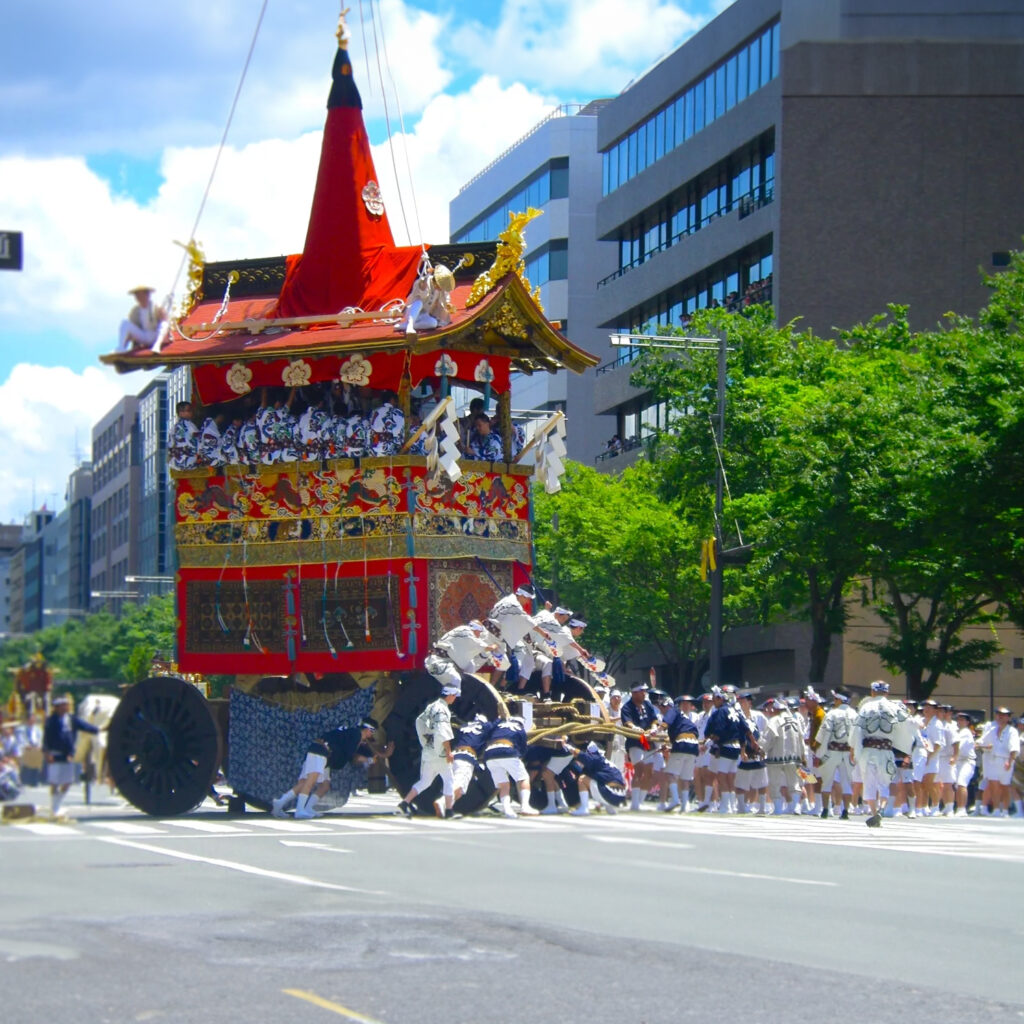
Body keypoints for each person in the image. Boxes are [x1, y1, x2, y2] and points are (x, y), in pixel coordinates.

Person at [271, 718, 379, 819]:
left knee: (324, 785)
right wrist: (368, 760)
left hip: (326, 756)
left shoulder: (352, 734)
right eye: (372, 732)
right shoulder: (355, 734)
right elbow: (352, 756)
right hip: (320, 751)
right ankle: (299, 810)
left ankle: (283, 803)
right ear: (367, 729)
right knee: (310, 781)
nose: (371, 735)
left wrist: (368, 757)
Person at [849, 681, 913, 828]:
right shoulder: (894, 707)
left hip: (868, 749)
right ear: (887, 693)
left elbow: (856, 729)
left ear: (872, 692)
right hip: (886, 749)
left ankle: (873, 812)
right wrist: (904, 748)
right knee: (884, 782)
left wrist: (853, 748)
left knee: (869, 782)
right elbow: (906, 725)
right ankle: (881, 808)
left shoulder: (866, 707)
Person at [398, 685, 460, 818]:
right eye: (454, 696)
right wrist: (448, 751)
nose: (455, 698)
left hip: (428, 751)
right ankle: (449, 810)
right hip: (440, 752)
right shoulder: (443, 710)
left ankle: (405, 802)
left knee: (425, 781)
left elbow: (419, 721)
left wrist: (424, 740)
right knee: (449, 781)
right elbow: (443, 732)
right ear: (449, 695)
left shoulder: (431, 706)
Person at [43, 694, 101, 817]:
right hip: (55, 753)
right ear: (57, 707)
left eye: (66, 705)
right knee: (54, 781)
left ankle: (57, 803)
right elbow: (46, 738)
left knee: (68, 782)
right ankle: (54, 807)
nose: (65, 708)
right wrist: (47, 752)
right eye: (62, 705)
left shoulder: (71, 719)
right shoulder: (51, 720)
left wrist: (99, 729)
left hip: (68, 754)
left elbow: (85, 726)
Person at [482, 715, 537, 818]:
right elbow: (523, 748)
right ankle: (525, 806)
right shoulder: (520, 729)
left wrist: (498, 718)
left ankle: (508, 811)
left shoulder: (498, 726)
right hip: (508, 752)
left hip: (489, 754)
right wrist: (519, 756)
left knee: (503, 784)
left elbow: (487, 734)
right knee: (523, 778)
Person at [813, 691, 857, 819]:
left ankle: (825, 809)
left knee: (827, 781)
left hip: (832, 751)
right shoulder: (854, 714)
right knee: (847, 782)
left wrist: (818, 751)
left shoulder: (832, 714)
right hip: (848, 751)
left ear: (839, 699)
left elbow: (822, 734)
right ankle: (845, 811)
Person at [620, 682, 662, 811]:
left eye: (645, 691)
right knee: (639, 770)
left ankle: (641, 800)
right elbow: (627, 722)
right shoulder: (627, 707)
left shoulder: (647, 705)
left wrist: (654, 727)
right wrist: (635, 728)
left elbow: (654, 719)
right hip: (635, 739)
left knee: (649, 771)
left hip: (646, 739)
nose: (644, 693)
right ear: (634, 693)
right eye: (641, 691)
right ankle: (634, 803)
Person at [763, 698, 806, 814]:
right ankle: (796, 806)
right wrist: (803, 755)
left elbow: (769, 737)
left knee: (775, 782)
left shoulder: (774, 720)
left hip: (777, 755)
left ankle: (777, 808)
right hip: (794, 756)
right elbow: (801, 739)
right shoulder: (794, 720)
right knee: (794, 782)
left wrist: (762, 749)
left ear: (776, 709)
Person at [977, 707, 1021, 817]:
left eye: (1004, 715)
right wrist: (980, 745)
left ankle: (1005, 810)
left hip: (1005, 760)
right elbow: (982, 742)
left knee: (1004, 786)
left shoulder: (1012, 731)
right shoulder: (992, 730)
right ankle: (996, 809)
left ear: (1008, 717)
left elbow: (1014, 748)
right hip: (992, 760)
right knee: (993, 785)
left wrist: (1010, 761)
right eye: (998, 714)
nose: (1000, 717)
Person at [660, 695, 700, 812]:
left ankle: (675, 800)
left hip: (682, 743)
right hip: (693, 745)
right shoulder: (685, 718)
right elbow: (693, 732)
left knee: (670, 774)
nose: (662, 710)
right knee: (685, 777)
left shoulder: (673, 711)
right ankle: (685, 805)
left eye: (663, 707)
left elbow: (665, 724)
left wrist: (655, 731)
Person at [570, 741, 628, 815]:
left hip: (610, 793)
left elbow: (580, 755)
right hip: (621, 797)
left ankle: (584, 808)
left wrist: (568, 746)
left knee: (583, 779)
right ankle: (609, 806)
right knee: (598, 782)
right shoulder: (608, 763)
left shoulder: (596, 759)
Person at [117, 285, 167, 352]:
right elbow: (131, 329)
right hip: (143, 336)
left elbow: (164, 320)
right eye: (137, 295)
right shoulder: (135, 310)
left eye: (141, 295)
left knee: (164, 324)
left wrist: (162, 313)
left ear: (147, 295)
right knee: (125, 323)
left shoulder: (156, 306)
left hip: (155, 335)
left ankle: (157, 345)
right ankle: (121, 348)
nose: (139, 297)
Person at [951, 710, 977, 816]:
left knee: (962, 783)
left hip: (967, 761)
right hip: (958, 761)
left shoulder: (966, 732)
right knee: (956, 784)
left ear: (967, 722)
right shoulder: (957, 731)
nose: (960, 721)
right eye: (958, 719)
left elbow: (958, 747)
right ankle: (958, 807)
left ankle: (962, 809)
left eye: (962, 720)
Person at [169, 401, 199, 470]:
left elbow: (171, 444)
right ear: (181, 413)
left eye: (191, 410)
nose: (191, 412)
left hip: (177, 461)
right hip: (189, 458)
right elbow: (197, 438)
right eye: (188, 410)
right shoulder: (188, 424)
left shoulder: (174, 427)